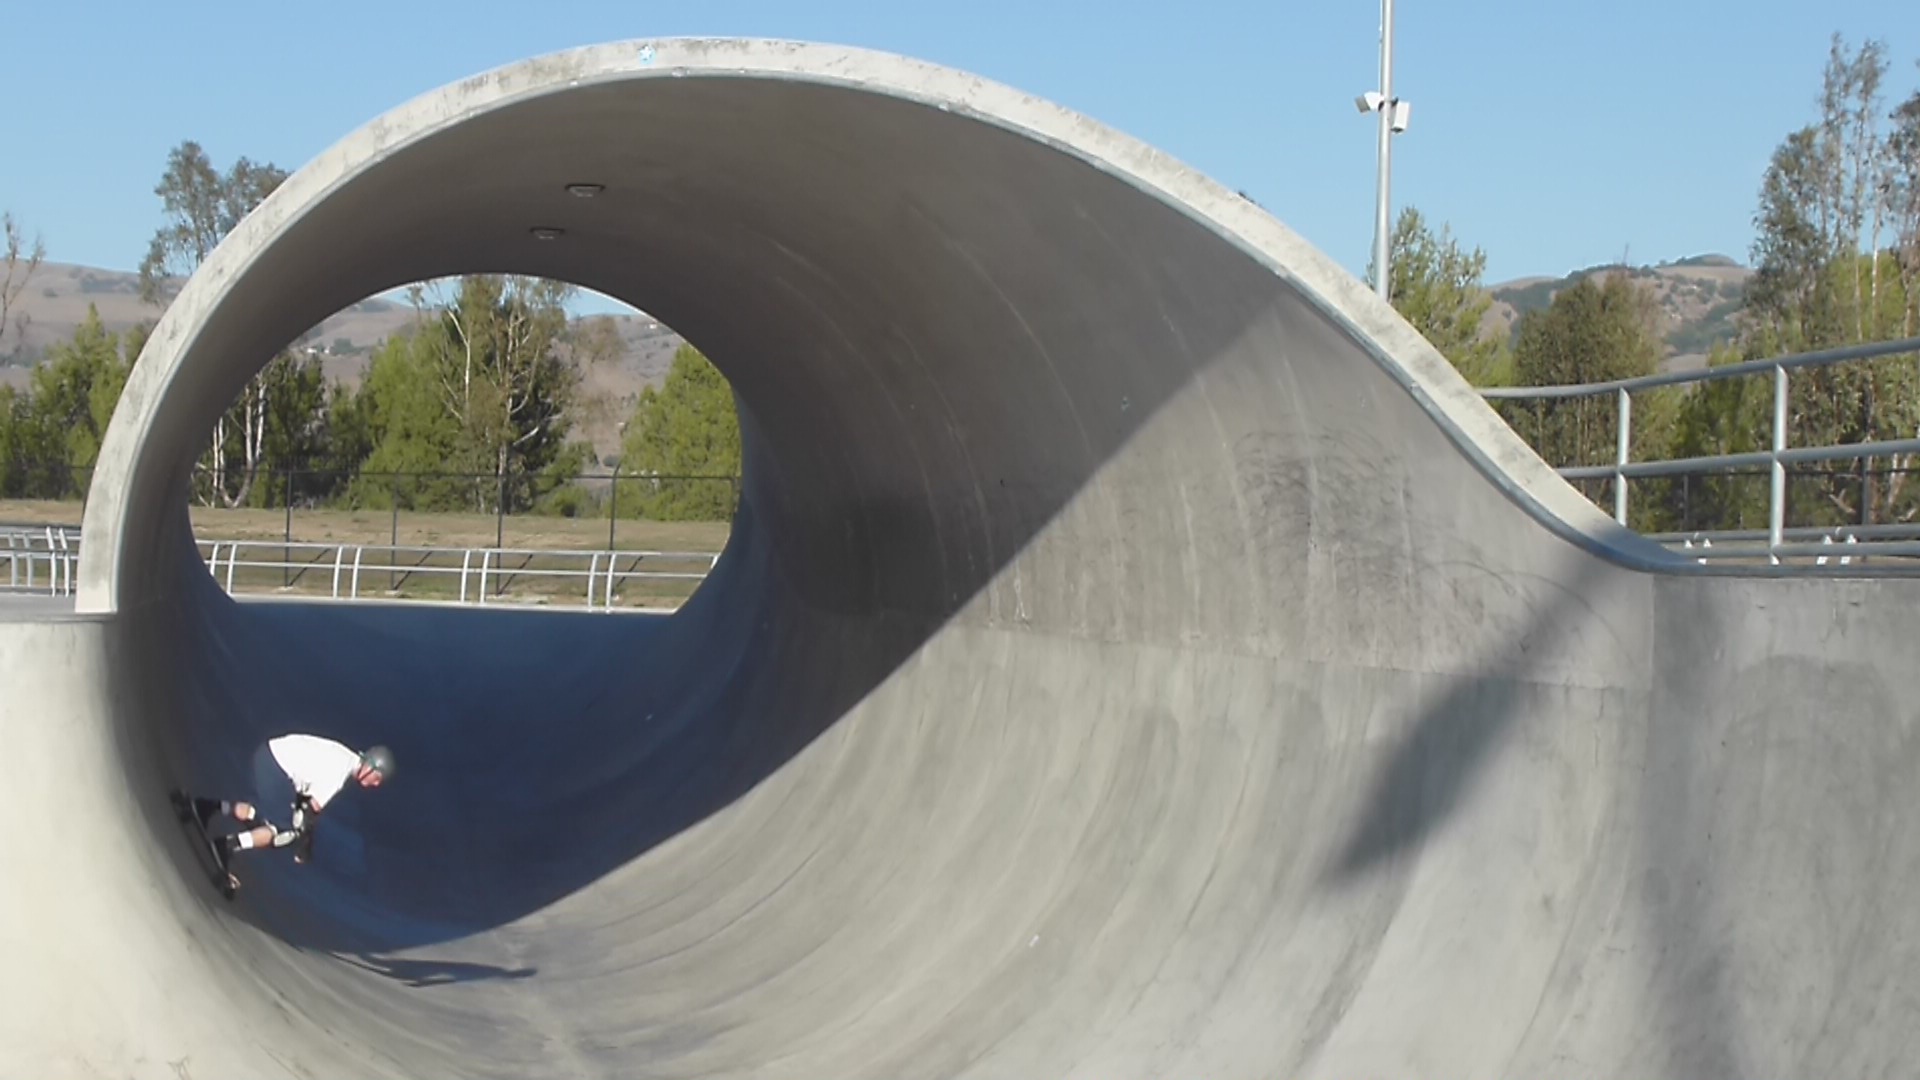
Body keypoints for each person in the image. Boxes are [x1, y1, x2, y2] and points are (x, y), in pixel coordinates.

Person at [174, 734, 395, 890]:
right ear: (370, 767)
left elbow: (306, 794)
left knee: (262, 814)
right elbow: (311, 814)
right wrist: (305, 848)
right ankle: (225, 847)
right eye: (377, 779)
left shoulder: (346, 758)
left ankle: (204, 807)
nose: (376, 785)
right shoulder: (340, 774)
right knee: (285, 832)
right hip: (278, 770)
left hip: (270, 757)